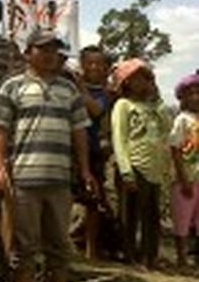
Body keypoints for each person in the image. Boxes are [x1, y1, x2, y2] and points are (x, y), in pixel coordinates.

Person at [0, 29, 94, 282]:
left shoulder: (69, 89)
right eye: (43, 49)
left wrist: (84, 170)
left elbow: (80, 132)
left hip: (60, 179)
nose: (49, 55)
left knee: (59, 242)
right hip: (23, 178)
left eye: (54, 50)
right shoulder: (12, 87)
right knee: (24, 244)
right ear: (28, 52)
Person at [111, 59, 171, 269]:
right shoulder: (123, 105)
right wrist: (126, 171)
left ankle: (150, 257)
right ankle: (130, 255)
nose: (142, 83)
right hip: (134, 166)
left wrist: (158, 101)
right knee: (130, 214)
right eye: (136, 79)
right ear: (126, 82)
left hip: (153, 169)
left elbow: (166, 127)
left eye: (145, 78)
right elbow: (119, 139)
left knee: (151, 215)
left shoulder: (154, 106)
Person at [75, 46, 112, 259]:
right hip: (71, 149)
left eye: (99, 63)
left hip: (95, 151)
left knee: (93, 200)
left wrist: (81, 89)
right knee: (67, 196)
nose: (94, 67)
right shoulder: (71, 86)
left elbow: (96, 110)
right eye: (90, 63)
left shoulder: (106, 93)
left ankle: (91, 249)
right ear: (83, 65)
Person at [169, 74, 199, 268]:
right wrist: (183, 178)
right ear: (183, 98)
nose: (196, 97)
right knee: (182, 218)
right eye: (191, 93)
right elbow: (175, 148)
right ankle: (181, 258)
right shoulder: (182, 120)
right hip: (187, 178)